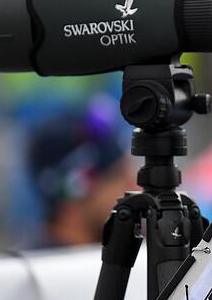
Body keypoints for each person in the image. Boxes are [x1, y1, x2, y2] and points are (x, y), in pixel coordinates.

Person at [27, 106, 137, 247]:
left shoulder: (117, 261)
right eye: (120, 177)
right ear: (73, 193)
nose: (137, 188)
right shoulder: (24, 268)